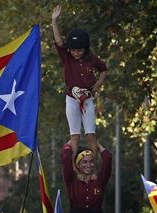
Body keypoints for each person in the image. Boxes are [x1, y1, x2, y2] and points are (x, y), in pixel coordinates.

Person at [51, 5, 107, 158]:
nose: (76, 53)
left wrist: (98, 84)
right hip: (72, 100)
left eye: (79, 50)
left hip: (88, 100)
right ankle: (75, 169)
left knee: (90, 134)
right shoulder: (67, 57)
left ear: (85, 49)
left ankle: (93, 168)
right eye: (73, 50)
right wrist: (54, 21)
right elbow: (59, 42)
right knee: (74, 135)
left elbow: (104, 69)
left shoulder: (92, 59)